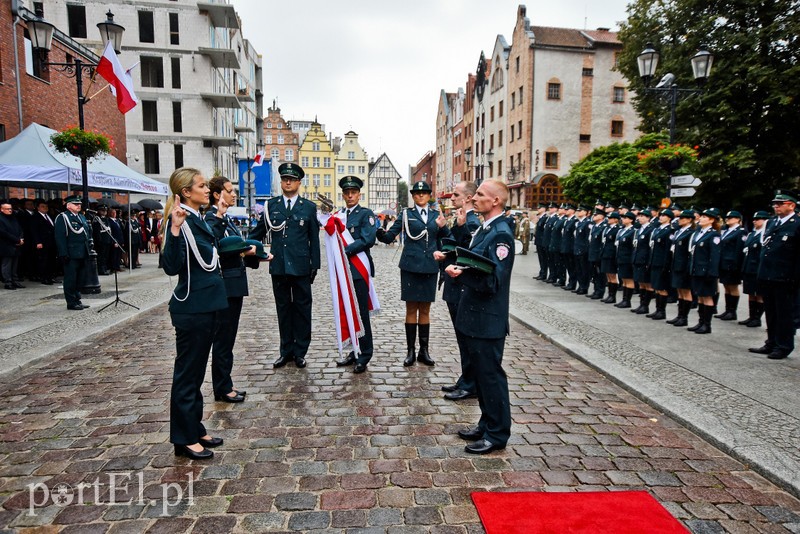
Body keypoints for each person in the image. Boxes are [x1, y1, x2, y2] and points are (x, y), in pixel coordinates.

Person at [160, 167, 227, 460]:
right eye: (201, 186)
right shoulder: (181, 220)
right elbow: (171, 266)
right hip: (193, 307)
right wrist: (174, 228)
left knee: (197, 372)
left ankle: (195, 426)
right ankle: (183, 438)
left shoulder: (198, 219)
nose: (206, 190)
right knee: (187, 375)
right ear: (186, 192)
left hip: (207, 304)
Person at [445, 179, 515, 455]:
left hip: (487, 318)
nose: (475, 199)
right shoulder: (486, 228)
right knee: (483, 376)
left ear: (495, 200)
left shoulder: (501, 234)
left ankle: (497, 433)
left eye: (481, 195)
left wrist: (464, 273)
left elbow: (494, 281)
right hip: (474, 315)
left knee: (491, 377)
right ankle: (486, 424)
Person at [249, 162, 320, 369]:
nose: (287, 182)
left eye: (291, 179)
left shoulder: (308, 207)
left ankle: (300, 352)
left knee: (302, 310)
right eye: (284, 179)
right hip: (279, 266)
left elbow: (313, 239)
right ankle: (286, 351)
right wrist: (245, 249)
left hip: (300, 267)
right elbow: (258, 233)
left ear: (299, 182)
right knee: (283, 310)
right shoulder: (272, 206)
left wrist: (314, 265)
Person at [377, 180, 450, 366]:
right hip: (410, 266)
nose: (420, 195)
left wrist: (444, 226)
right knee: (411, 309)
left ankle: (423, 351)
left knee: (425, 309)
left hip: (430, 267)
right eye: (417, 193)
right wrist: (377, 231)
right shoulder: (405, 214)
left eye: (424, 192)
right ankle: (410, 351)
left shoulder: (436, 214)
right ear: (413, 196)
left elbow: (447, 239)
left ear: (429, 195)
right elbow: (389, 235)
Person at [205, 176, 258, 402]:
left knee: (228, 338)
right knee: (223, 339)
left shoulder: (225, 219)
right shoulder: (212, 218)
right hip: (225, 285)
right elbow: (216, 246)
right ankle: (222, 388)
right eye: (229, 190)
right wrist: (244, 252)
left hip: (234, 283)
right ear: (217, 195)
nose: (233, 194)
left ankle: (226, 383)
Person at [435, 181, 480, 400]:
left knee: (466, 337)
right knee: (461, 336)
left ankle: (470, 384)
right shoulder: (463, 218)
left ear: (468, 198)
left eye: (456, 195)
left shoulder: (471, 221)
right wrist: (445, 228)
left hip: (461, 286)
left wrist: (456, 231)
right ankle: (465, 379)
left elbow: (468, 252)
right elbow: (453, 244)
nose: (451, 198)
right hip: (455, 286)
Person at [330, 176, 377, 374]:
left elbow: (368, 239)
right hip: (342, 270)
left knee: (360, 313)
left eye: (354, 192)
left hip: (358, 270)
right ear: (343, 194)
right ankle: (354, 351)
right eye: (347, 192)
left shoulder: (366, 214)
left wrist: (345, 249)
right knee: (347, 310)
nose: (350, 195)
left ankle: (364, 354)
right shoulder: (338, 216)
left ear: (359, 194)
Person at [750, 191, 800, 359]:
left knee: (784, 314)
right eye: (774, 203)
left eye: (780, 203)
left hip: (785, 277)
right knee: (771, 311)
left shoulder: (797, 224)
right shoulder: (771, 223)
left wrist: (795, 278)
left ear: (791, 205)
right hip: (768, 275)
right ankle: (771, 342)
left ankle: (784, 345)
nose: (776, 206)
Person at [687, 208, 722, 334]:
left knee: (707, 297)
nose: (701, 218)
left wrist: (712, 273)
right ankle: (700, 322)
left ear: (712, 220)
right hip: (697, 270)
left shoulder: (714, 235)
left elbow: (714, 256)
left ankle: (707, 325)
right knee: (700, 297)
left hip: (706, 271)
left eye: (704, 217)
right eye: (701, 216)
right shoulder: (699, 233)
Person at [54, 196, 91, 310]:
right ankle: (71, 302)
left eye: (79, 204)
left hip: (82, 252)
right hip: (71, 253)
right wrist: (63, 253)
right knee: (71, 278)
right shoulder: (63, 217)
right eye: (75, 204)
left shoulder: (81, 217)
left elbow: (86, 234)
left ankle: (77, 299)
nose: (79, 206)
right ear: (68, 205)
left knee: (80, 278)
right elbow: (60, 237)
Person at [739, 211, 770, 327]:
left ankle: (757, 318)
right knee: (751, 292)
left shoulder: (765, 234)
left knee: (759, 293)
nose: (755, 221)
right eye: (754, 219)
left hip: (757, 267)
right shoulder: (752, 234)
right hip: (748, 266)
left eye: (759, 219)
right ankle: (751, 316)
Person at [667, 210, 696, 326]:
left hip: (684, 265)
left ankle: (684, 318)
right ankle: (679, 315)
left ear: (690, 220)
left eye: (683, 218)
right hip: (676, 263)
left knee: (686, 291)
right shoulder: (679, 231)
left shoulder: (691, 232)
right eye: (680, 217)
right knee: (680, 291)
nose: (680, 219)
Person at [715, 211, 746, 321]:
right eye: (727, 217)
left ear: (738, 219)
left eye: (731, 218)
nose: (728, 219)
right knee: (726, 286)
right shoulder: (726, 230)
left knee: (733, 286)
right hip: (724, 262)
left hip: (732, 263)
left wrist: (736, 265)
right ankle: (728, 310)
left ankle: (732, 311)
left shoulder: (740, 232)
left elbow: (739, 250)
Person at [647, 209, 674, 320]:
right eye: (661, 215)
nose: (661, 217)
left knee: (662, 287)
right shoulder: (658, 230)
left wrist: (665, 265)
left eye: (664, 216)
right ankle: (657, 309)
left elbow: (668, 250)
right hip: (655, 261)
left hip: (662, 262)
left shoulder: (669, 231)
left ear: (669, 218)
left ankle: (662, 311)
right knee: (657, 287)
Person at [630, 210, 654, 314]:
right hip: (638, 259)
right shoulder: (638, 230)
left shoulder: (651, 230)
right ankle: (641, 304)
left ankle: (646, 306)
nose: (640, 218)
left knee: (647, 283)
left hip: (645, 260)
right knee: (641, 283)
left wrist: (648, 261)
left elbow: (650, 248)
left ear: (648, 218)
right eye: (639, 216)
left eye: (643, 216)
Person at [29, 199, 57, 285]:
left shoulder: (48, 216)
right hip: (43, 242)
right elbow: (34, 231)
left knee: (51, 260)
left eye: (46, 206)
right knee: (44, 260)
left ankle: (50, 276)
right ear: (37, 208)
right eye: (42, 206)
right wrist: (38, 242)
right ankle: (44, 278)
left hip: (51, 242)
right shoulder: (35, 217)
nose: (45, 208)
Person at [0, 202, 25, 289]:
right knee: (7, 265)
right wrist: (17, 240)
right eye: (7, 209)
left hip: (16, 245)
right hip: (6, 245)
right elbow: (3, 233)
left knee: (15, 265)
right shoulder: (1, 219)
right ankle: (8, 282)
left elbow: (19, 228)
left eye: (10, 208)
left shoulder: (13, 218)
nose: (10, 210)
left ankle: (15, 280)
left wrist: (21, 238)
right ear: (1, 209)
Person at [614, 212, 636, 308]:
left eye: (625, 218)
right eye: (623, 218)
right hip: (621, 257)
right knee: (623, 279)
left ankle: (627, 300)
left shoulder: (633, 231)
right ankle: (624, 299)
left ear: (631, 220)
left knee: (629, 279)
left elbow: (633, 247)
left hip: (627, 258)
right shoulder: (622, 230)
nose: (623, 219)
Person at [600, 212, 621, 303]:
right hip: (605, 253)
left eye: (611, 218)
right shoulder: (608, 229)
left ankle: (613, 296)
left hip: (611, 255)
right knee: (608, 275)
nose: (609, 219)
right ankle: (609, 294)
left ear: (616, 219)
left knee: (612, 275)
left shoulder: (617, 229)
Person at [586, 208, 607, 300]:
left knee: (600, 274)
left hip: (598, 254)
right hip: (592, 253)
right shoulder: (595, 226)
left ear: (602, 216)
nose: (594, 216)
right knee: (594, 273)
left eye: (596, 215)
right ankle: (596, 290)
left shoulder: (603, 227)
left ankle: (600, 291)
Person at [573, 205, 591, 294]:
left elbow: (588, 238)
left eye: (580, 211)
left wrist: (585, 249)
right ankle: (580, 285)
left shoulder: (587, 223)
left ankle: (584, 287)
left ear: (585, 212)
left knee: (584, 269)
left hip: (583, 250)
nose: (578, 212)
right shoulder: (579, 223)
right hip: (577, 249)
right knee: (578, 269)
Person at [92, 206, 112, 275]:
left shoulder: (106, 219)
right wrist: (99, 241)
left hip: (107, 240)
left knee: (106, 256)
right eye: (103, 211)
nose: (104, 212)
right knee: (101, 256)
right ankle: (101, 269)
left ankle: (105, 268)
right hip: (102, 240)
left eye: (105, 211)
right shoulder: (97, 219)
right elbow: (97, 231)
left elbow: (109, 230)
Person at [533, 203, 549, 280]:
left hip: (542, 241)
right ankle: (542, 272)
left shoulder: (545, 218)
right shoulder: (541, 218)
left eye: (539, 208)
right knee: (540, 258)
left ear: (543, 209)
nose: (538, 209)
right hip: (539, 241)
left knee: (543, 258)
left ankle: (544, 273)